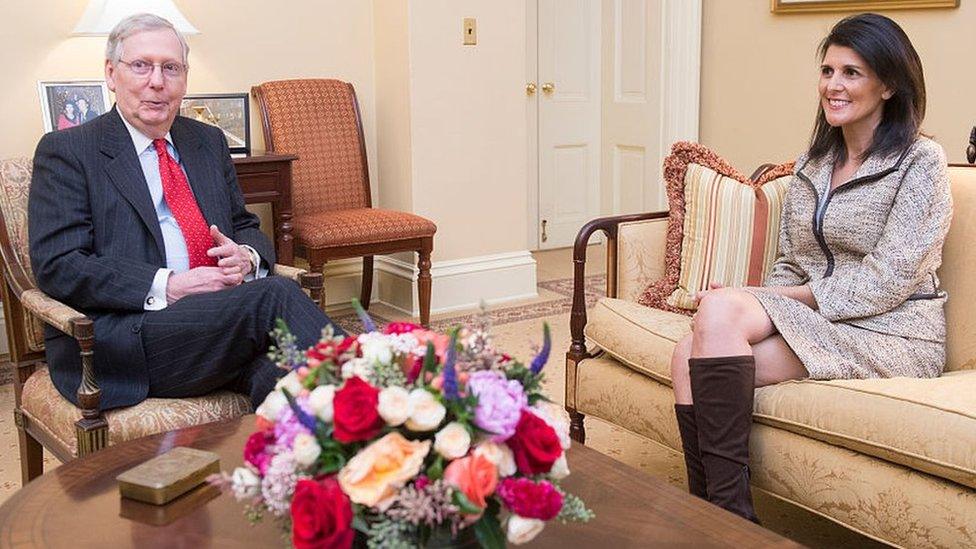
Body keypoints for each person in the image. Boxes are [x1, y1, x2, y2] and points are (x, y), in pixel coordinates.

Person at [669, 13, 951, 523]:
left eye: (851, 72)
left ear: (889, 85)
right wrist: (761, 296)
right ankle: (716, 517)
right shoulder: (812, 164)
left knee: (721, 310)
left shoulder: (922, 162)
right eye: (827, 71)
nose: (833, 85)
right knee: (689, 348)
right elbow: (792, 262)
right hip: (826, 323)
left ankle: (725, 519)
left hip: (893, 332)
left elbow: (886, 282)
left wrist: (758, 300)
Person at [29, 13, 343, 411]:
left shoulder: (207, 142)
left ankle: (308, 466)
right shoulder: (69, 151)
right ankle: (388, 389)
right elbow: (60, 265)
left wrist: (245, 257)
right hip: (126, 336)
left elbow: (244, 224)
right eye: (141, 65)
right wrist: (169, 285)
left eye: (171, 68)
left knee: (294, 374)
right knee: (276, 297)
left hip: (220, 325)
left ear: (185, 79)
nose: (157, 81)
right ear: (111, 73)